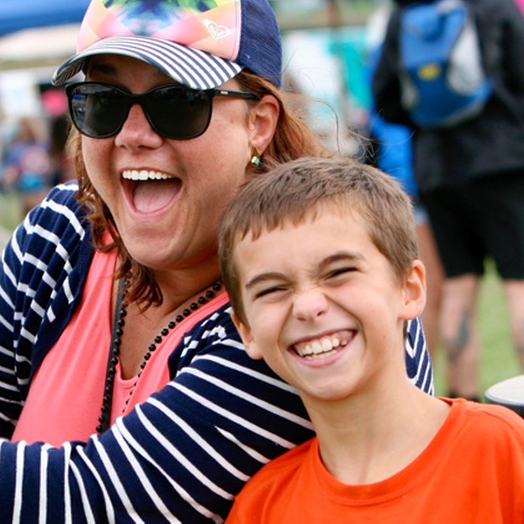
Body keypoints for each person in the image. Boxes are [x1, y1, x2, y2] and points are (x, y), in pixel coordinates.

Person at [0, 1, 435, 521]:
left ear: (259, 120)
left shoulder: (301, 304)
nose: (132, 133)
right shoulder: (64, 232)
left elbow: (99, 499)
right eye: (100, 101)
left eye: (175, 103)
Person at [220, 156, 524, 522]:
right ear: (247, 330)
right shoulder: (260, 507)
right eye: (272, 289)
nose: (308, 306)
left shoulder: (505, 452)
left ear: (409, 289)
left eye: (338, 272)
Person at [372, 0, 524, 401]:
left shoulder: (402, 15)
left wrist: (428, 120)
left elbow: (382, 96)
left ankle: (463, 400)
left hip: (437, 170)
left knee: (458, 285)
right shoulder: (494, 7)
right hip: (503, 164)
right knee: (519, 284)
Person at [364, 1, 445, 356]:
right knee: (428, 292)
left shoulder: (388, 23)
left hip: (405, 174)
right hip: (432, 174)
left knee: (428, 292)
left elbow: (382, 108)